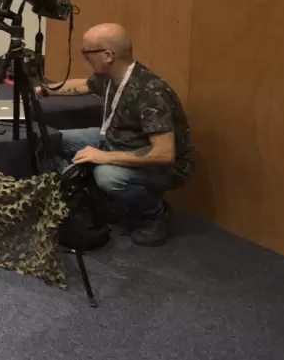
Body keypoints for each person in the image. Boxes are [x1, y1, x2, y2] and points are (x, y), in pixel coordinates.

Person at [46, 22, 195, 246]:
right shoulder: (109, 76)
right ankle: (96, 200)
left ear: (108, 55)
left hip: (167, 165)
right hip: (116, 140)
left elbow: (164, 154)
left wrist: (104, 157)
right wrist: (43, 90)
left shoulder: (149, 91)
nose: (85, 57)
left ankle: (155, 213)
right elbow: (84, 85)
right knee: (56, 139)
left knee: (108, 176)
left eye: (87, 52)